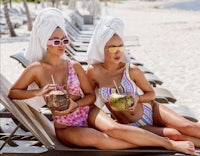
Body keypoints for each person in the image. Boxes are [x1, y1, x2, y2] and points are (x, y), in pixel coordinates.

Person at [8, 8, 195, 155]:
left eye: (64, 40)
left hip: (88, 112)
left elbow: (90, 96)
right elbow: (14, 93)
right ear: (44, 42)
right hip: (66, 125)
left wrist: (76, 103)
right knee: (102, 140)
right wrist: (38, 93)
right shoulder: (36, 69)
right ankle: (165, 144)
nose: (62, 45)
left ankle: (169, 144)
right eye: (55, 41)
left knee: (115, 128)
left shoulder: (74, 65)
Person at [86, 16, 200, 150]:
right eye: (112, 48)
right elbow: (90, 97)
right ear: (101, 48)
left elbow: (151, 93)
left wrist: (137, 98)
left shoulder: (131, 70)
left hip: (150, 110)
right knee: (174, 134)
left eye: (121, 47)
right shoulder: (93, 72)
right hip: (132, 125)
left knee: (188, 126)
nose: (117, 52)